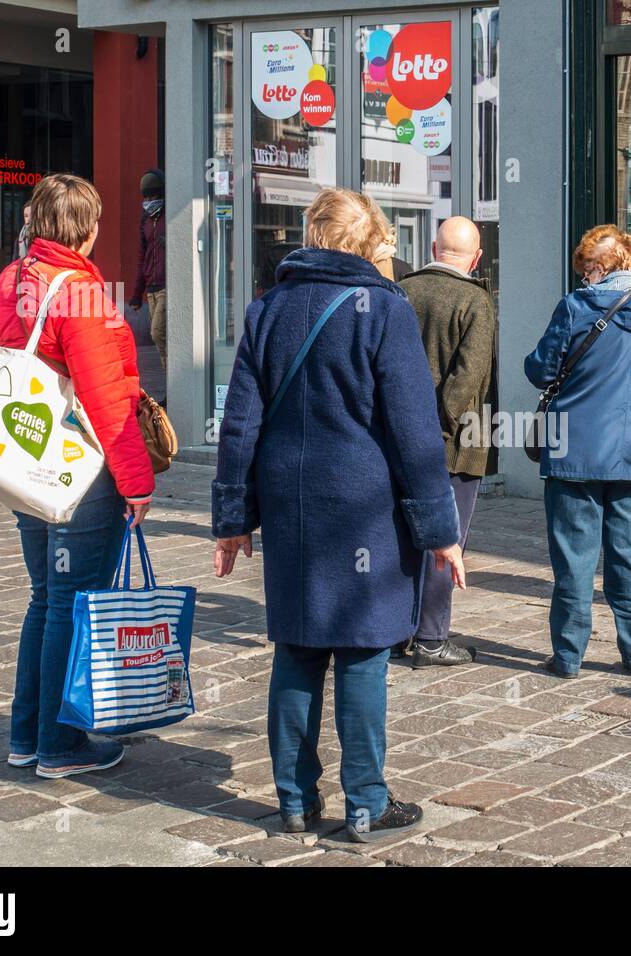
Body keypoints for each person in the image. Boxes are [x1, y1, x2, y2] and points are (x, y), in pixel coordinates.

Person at [211, 187, 465, 842]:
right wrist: (441, 530)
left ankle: (295, 801)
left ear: (312, 234)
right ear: (369, 240)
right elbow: (414, 432)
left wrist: (233, 517)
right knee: (361, 653)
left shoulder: (268, 308)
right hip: (364, 509)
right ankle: (365, 803)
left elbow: (240, 422)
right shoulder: (384, 308)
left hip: (293, 507)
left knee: (296, 649)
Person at [0, 173, 154, 778]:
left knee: (46, 597)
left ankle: (26, 735)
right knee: (72, 601)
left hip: (26, 459)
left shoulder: (11, 279)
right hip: (79, 469)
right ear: (86, 227)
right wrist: (136, 482)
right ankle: (60, 745)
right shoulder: (79, 291)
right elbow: (106, 398)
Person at [524, 225, 631, 679]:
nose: (583, 276)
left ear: (598, 265)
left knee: (574, 558)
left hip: (576, 450)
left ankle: (568, 656)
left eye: (586, 267)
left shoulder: (575, 307)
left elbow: (540, 369)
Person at [396, 216, 498, 667]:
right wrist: (437, 424)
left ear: (435, 251)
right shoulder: (476, 300)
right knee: (445, 537)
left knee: (400, 537)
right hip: (456, 442)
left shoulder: (402, 291)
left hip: (397, 439)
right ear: (475, 258)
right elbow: (467, 378)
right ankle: (432, 637)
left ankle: (397, 629)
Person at [128, 169, 167, 371]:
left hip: (166, 286)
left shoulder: (168, 216)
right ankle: (171, 386)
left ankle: (174, 383)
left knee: (157, 333)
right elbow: (141, 257)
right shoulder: (146, 220)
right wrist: (136, 295)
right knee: (161, 342)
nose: (150, 200)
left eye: (154, 196)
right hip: (151, 288)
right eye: (146, 196)